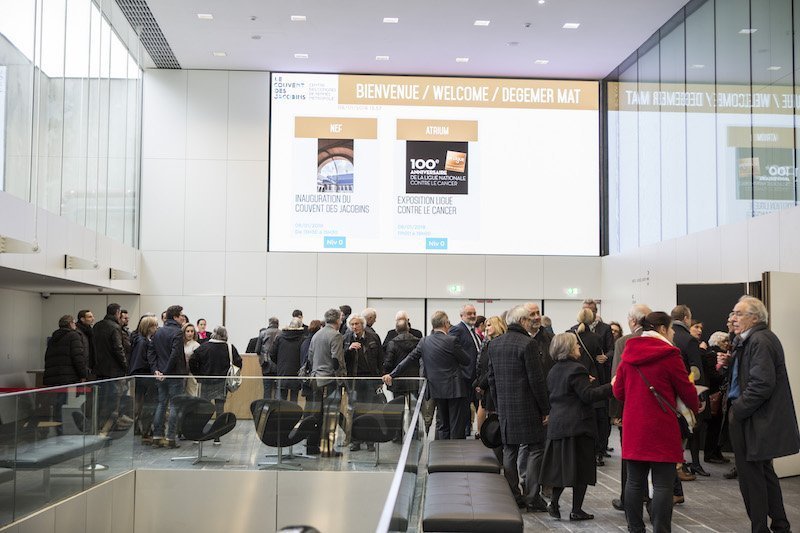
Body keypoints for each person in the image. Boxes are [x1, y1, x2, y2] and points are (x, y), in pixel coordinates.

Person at [613, 311, 699, 533]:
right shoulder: (670, 355)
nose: (672, 334)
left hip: (634, 426)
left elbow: (618, 391)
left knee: (633, 482)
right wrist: (695, 405)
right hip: (661, 425)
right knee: (662, 484)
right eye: (671, 329)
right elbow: (687, 391)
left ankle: (635, 528)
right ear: (662, 329)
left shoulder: (628, 353)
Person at [722, 296, 800, 533]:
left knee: (752, 479)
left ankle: (760, 528)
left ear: (754, 318)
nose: (732, 318)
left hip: (752, 417)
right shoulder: (750, 340)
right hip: (755, 417)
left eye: (738, 314)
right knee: (764, 474)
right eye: (733, 313)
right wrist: (729, 363)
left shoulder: (760, 340)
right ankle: (779, 524)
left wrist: (738, 410)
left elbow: (762, 384)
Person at [541, 332, 613, 521]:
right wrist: (611, 387)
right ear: (568, 348)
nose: (579, 347)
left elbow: (566, 391)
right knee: (581, 469)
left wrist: (584, 384)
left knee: (561, 468)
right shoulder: (577, 369)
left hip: (558, 424)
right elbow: (587, 396)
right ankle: (576, 510)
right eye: (576, 345)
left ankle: (554, 503)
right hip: (577, 425)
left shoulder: (554, 370)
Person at [487, 304, 550, 512]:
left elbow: (492, 379)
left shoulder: (494, 344)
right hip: (528, 407)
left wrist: (498, 404)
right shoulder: (528, 344)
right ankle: (532, 496)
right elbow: (536, 380)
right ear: (522, 321)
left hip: (505, 408)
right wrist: (545, 409)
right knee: (535, 450)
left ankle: (513, 495)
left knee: (510, 450)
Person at [383, 310, 472, 440]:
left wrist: (392, 374)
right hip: (454, 389)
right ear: (446, 323)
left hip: (436, 389)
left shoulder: (424, 341)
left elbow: (409, 359)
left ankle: (442, 453)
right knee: (455, 425)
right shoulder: (452, 341)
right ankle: (455, 455)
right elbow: (466, 360)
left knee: (442, 423)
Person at [609, 303, 651, 512]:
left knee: (630, 459)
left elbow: (618, 381)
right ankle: (651, 501)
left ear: (633, 321)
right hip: (657, 411)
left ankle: (629, 500)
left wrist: (616, 414)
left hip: (631, 410)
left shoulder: (624, 342)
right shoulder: (662, 341)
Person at [672, 304, 708, 479]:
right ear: (686, 318)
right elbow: (696, 371)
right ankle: (679, 467)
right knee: (688, 429)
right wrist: (700, 396)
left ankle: (678, 466)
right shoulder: (689, 340)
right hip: (685, 392)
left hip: (667, 393)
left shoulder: (666, 336)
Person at [189, 326, 242, 445]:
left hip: (205, 382)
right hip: (221, 382)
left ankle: (199, 434)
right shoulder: (229, 347)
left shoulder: (204, 347)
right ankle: (217, 436)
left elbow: (192, 361)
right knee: (219, 409)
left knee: (203, 409)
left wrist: (198, 376)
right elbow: (238, 362)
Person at [308, 308, 347, 457]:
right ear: (338, 320)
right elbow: (336, 359)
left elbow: (310, 357)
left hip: (316, 379)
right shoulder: (336, 335)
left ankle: (312, 446)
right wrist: (341, 378)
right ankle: (327, 448)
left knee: (316, 414)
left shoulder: (317, 334)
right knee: (331, 415)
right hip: (330, 380)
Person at [147, 304, 186, 448]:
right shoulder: (177, 332)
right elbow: (175, 354)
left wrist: (156, 370)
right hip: (174, 375)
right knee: (175, 406)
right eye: (181, 315)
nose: (183, 317)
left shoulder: (158, 332)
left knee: (161, 404)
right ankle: (170, 438)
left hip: (160, 376)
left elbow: (151, 353)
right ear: (175, 317)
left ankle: (157, 436)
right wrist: (166, 372)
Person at [572, 307, 608, 467]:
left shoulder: (570, 333)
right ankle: (597, 452)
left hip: (573, 378)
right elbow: (599, 360)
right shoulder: (595, 338)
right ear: (592, 320)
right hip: (593, 379)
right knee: (597, 418)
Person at [344, 314, 383, 451]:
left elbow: (380, 358)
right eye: (352, 324)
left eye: (357, 324)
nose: (355, 327)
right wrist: (348, 349)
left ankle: (370, 440)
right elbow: (341, 360)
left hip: (370, 379)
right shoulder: (347, 338)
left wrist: (380, 379)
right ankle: (356, 440)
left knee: (370, 410)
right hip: (354, 380)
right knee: (355, 411)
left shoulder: (373, 337)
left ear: (362, 324)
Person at [43, 315, 88, 435]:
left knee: (57, 404)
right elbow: (78, 357)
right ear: (70, 324)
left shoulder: (54, 337)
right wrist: (83, 375)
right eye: (74, 323)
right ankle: (61, 430)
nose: (75, 325)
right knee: (61, 403)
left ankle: (57, 429)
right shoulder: (74, 335)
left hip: (53, 376)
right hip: (66, 376)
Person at [448, 303, 482, 437]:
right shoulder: (457, 329)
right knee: (462, 413)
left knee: (477, 409)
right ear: (461, 315)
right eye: (469, 313)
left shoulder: (473, 331)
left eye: (474, 313)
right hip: (465, 378)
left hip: (475, 379)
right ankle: (460, 440)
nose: (473, 316)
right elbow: (451, 351)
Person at [474, 315, 506, 439]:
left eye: (489, 325)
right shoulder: (486, 343)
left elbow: (493, 367)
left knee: (493, 412)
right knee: (485, 409)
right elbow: (481, 364)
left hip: (493, 384)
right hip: (485, 383)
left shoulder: (498, 343)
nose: (486, 328)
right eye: (486, 326)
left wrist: (482, 384)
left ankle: (494, 437)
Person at [128, 315, 158, 444]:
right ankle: (144, 431)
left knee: (140, 404)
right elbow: (140, 361)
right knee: (143, 404)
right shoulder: (142, 342)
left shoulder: (141, 340)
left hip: (141, 376)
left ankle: (140, 428)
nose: (156, 328)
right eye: (154, 326)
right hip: (143, 376)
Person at [384, 318, 422, 400]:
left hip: (397, 380)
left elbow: (388, 363)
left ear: (396, 330)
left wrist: (387, 374)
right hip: (415, 379)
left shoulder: (392, 343)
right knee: (415, 408)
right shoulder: (418, 342)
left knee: (398, 407)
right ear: (408, 328)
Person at [270, 317, 306, 402]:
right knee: (294, 399)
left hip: (282, 372)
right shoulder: (302, 339)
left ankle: (283, 415)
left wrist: (279, 363)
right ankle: (294, 415)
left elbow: (272, 354)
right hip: (296, 373)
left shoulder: (280, 338)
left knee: (282, 400)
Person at [256, 317, 280, 399]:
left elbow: (257, 350)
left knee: (267, 390)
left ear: (269, 323)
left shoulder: (263, 333)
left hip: (266, 365)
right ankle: (277, 410)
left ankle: (266, 409)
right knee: (278, 390)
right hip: (278, 365)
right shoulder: (281, 333)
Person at [182, 323, 200, 397]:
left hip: (191, 374)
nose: (190, 333)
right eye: (188, 331)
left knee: (191, 394)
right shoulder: (180, 344)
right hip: (181, 373)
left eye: (192, 331)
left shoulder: (196, 345)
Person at [76, 309, 95, 376]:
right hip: (81, 370)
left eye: (92, 316)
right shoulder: (77, 333)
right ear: (82, 319)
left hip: (89, 368)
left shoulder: (90, 332)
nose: (93, 319)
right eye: (90, 317)